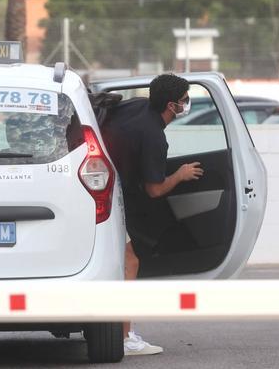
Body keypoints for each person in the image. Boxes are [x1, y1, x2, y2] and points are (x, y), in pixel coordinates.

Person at [101, 73, 204, 356]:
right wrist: (180, 175)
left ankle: (122, 332)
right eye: (185, 100)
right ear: (172, 105)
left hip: (105, 188)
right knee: (129, 262)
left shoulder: (136, 106)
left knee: (125, 260)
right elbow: (155, 190)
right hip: (104, 196)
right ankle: (123, 338)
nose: (187, 104)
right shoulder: (154, 137)